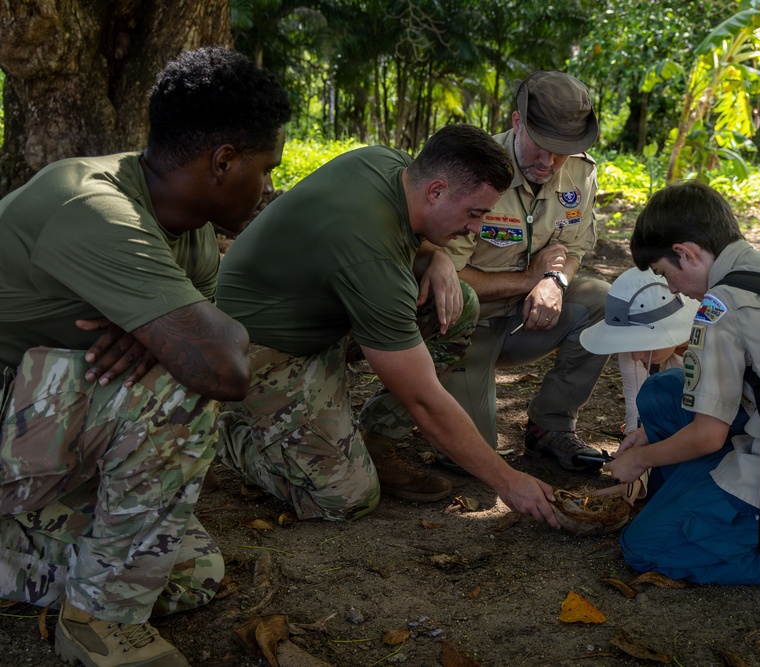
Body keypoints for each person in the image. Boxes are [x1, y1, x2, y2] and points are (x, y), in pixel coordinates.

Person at [0, 47, 291, 667]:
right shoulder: (93, 207)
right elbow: (222, 368)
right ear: (223, 161)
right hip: (15, 420)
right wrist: (173, 334)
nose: (269, 188)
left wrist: (158, 329)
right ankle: (97, 624)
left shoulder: (192, 235)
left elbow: (216, 331)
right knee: (180, 387)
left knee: (192, 569)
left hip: (32, 431)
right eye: (266, 170)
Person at [214, 123, 561, 528]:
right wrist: (508, 480)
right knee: (346, 498)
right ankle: (234, 436)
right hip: (261, 351)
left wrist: (438, 258)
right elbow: (424, 401)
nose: (476, 229)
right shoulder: (373, 261)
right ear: (436, 190)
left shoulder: (390, 163)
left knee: (458, 302)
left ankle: (375, 439)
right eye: (474, 213)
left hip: (320, 311)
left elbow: (402, 239)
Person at [604, 180, 760, 608]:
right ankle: (689, 504)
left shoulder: (719, 308)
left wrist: (639, 459)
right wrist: (652, 434)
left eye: (667, 274)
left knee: (643, 549)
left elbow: (708, 437)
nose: (672, 290)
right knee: (664, 391)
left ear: (686, 252)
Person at [437, 70, 612, 472]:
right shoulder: (474, 171)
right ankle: (400, 410)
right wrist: (527, 279)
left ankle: (550, 427)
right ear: (517, 123)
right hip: (463, 326)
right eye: (541, 146)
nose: (549, 162)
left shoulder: (581, 174)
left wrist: (555, 280)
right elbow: (446, 274)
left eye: (562, 151)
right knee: (471, 459)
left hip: (527, 322)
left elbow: (576, 245)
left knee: (602, 300)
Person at [580, 267, 699, 437]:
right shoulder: (634, 349)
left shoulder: (714, 346)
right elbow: (634, 400)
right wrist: (633, 438)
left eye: (643, 342)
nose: (636, 356)